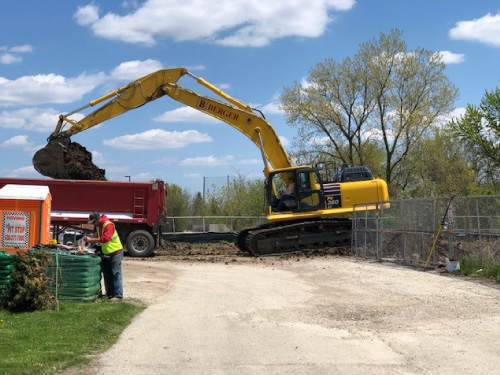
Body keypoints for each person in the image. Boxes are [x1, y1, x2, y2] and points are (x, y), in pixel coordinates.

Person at [83, 211, 123, 301]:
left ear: (98, 219)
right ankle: (110, 294)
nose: (93, 224)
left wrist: (91, 240)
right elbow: (98, 236)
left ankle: (118, 295)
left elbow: (105, 238)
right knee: (108, 274)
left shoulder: (108, 225)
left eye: (93, 222)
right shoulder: (99, 225)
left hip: (115, 252)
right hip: (108, 253)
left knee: (116, 274)